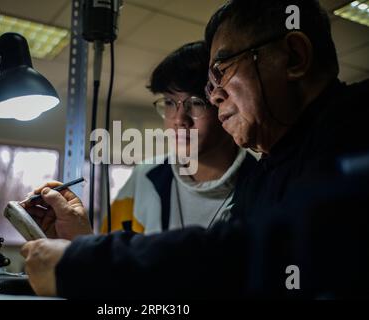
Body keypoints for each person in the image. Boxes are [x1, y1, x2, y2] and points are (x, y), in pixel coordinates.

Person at [20, 0, 369, 299]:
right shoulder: (266, 176)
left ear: (294, 55)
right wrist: (81, 245)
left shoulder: (357, 126)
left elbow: (259, 252)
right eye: (170, 103)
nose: (216, 97)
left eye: (222, 72)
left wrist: (87, 262)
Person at [102, 41, 255, 234]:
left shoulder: (264, 186)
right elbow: (107, 258)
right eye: (169, 102)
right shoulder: (145, 178)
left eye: (197, 103)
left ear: (223, 103)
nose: (179, 119)